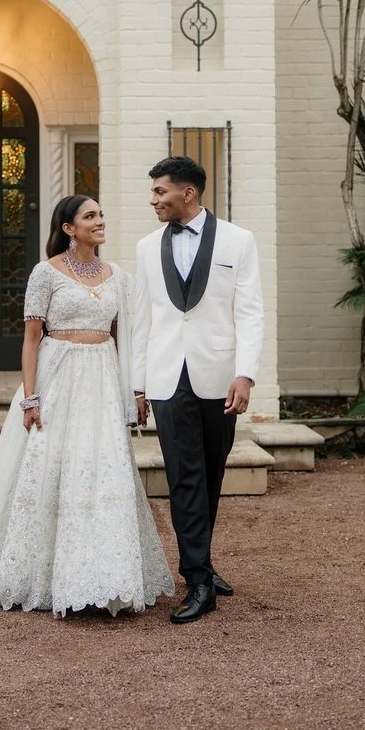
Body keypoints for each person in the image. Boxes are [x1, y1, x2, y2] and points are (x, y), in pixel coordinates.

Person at [0, 195, 174, 616]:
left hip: (101, 378)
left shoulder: (118, 277)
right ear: (68, 228)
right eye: (90, 216)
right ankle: (43, 574)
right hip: (57, 377)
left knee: (103, 470)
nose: (100, 221)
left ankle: (107, 576)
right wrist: (30, 397)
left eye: (101, 213)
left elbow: (129, 336)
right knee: (51, 466)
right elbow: (31, 339)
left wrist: (136, 391)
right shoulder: (46, 273)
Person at [132, 157, 264, 624]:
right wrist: (139, 385)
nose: (153, 199)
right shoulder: (147, 247)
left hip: (220, 376)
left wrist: (245, 374)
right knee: (184, 477)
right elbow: (142, 319)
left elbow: (250, 312)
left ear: (187, 192)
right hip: (169, 378)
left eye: (160, 192)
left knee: (210, 474)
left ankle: (202, 561)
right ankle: (198, 580)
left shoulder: (238, 240)